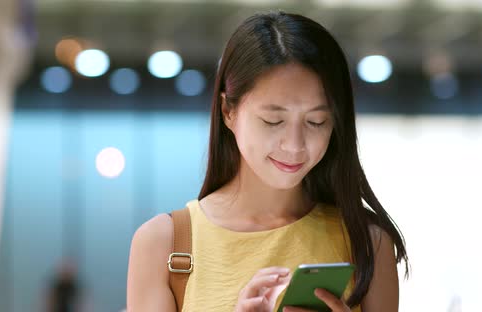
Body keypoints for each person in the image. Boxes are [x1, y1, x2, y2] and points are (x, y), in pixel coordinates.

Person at [127, 11, 408, 312]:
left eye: (316, 121)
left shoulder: (367, 243)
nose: (295, 145)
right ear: (228, 112)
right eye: (273, 121)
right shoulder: (163, 244)